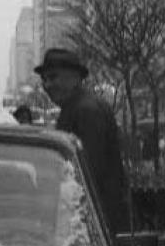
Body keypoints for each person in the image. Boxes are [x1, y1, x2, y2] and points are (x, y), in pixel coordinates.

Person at [34, 48, 130, 233]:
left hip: (94, 222)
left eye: (53, 77)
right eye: (45, 80)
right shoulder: (75, 108)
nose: (47, 85)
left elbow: (87, 172)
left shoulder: (86, 111)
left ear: (75, 77)